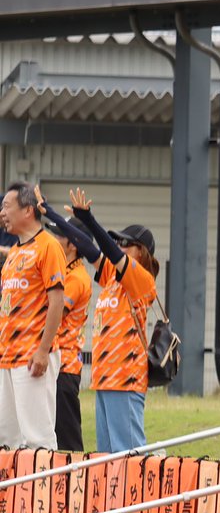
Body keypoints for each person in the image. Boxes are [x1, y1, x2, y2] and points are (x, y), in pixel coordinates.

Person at [60, 189, 158, 452]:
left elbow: (111, 253)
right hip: (105, 377)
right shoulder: (111, 278)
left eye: (126, 243)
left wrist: (91, 220)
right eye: (119, 242)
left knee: (129, 454)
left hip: (125, 378)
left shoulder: (141, 280)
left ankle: (143, 495)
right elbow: (87, 247)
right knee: (107, 457)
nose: (120, 246)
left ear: (141, 252)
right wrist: (53, 215)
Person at [0, 182, 65, 451]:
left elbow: (57, 301)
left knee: (37, 438)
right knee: (8, 439)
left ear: (28, 210)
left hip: (32, 357)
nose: (1, 213)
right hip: (7, 357)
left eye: (6, 206)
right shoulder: (14, 252)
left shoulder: (48, 246)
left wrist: (42, 350)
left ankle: (42, 492)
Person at [45, 215, 95, 451]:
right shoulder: (62, 270)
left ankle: (75, 484)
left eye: (59, 234)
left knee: (68, 442)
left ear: (73, 245)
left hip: (64, 368)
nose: (53, 238)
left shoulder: (76, 277)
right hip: (54, 365)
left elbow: (53, 311)